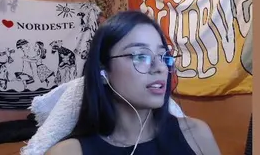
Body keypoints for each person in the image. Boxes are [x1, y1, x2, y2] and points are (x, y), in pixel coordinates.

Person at [43, 10, 221, 155]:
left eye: (162, 56)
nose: (160, 67)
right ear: (103, 71)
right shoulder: (67, 152)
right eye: (141, 56)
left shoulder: (197, 135)